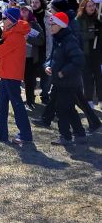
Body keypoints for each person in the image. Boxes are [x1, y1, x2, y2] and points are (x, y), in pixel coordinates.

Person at [45, 11, 86, 146]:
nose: (51, 27)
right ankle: (79, 134)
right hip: (60, 81)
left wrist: (63, 72)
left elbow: (79, 59)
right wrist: (48, 66)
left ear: (61, 26)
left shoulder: (69, 40)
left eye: (53, 25)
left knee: (62, 108)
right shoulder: (59, 39)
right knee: (68, 108)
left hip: (68, 82)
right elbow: (52, 58)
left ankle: (66, 136)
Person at [0, 8, 33, 146]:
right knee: (1, 104)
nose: (2, 20)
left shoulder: (15, 36)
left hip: (11, 75)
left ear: (11, 20)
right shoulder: (11, 33)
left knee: (16, 105)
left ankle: (25, 134)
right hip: (8, 74)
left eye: (4, 18)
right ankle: (1, 133)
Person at [76, 0, 102, 107]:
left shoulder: (99, 18)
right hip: (85, 53)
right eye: (89, 6)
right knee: (87, 78)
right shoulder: (79, 20)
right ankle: (89, 100)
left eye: (93, 5)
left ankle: (100, 99)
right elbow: (78, 36)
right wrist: (92, 33)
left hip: (98, 53)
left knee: (99, 77)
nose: (92, 8)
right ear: (84, 8)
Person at [19, 4, 44, 110]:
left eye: (26, 11)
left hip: (30, 58)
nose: (23, 12)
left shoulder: (35, 25)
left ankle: (30, 101)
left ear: (30, 13)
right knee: (18, 80)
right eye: (22, 10)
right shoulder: (17, 23)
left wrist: (28, 39)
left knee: (30, 80)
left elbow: (41, 40)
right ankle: (19, 100)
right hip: (18, 57)